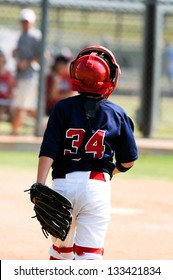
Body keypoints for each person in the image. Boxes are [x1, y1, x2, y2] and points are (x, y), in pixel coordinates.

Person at [34, 45, 138, 260]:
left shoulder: (62, 108)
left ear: (75, 76)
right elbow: (128, 160)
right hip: (96, 187)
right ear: (110, 77)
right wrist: (110, 173)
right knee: (89, 256)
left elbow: (49, 149)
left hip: (61, 185)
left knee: (60, 253)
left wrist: (39, 184)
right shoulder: (117, 113)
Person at [11, 8, 41, 135]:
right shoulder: (22, 35)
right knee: (25, 106)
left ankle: (14, 132)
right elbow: (18, 52)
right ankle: (43, 128)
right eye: (23, 21)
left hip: (30, 75)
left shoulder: (35, 35)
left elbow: (41, 54)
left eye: (27, 21)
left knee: (22, 106)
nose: (24, 23)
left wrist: (27, 62)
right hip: (20, 74)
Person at [0, 50, 16, 122]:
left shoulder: (8, 73)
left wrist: (11, 96)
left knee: (13, 110)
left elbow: (11, 87)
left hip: (6, 99)